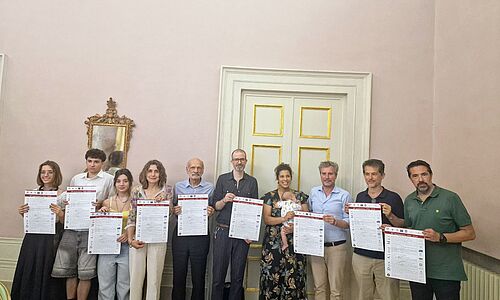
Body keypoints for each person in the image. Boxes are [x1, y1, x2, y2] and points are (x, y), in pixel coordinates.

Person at [403, 160, 475, 300]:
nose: (421, 179)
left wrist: (441, 237)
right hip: (418, 271)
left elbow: (470, 233)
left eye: (424, 174)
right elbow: (409, 229)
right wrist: (390, 231)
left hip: (446, 273)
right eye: (415, 176)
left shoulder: (450, 198)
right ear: (410, 178)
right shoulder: (409, 200)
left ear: (431, 175)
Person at [52, 149, 114, 300]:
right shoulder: (76, 179)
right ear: (86, 161)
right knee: (69, 270)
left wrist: (101, 204)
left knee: (85, 273)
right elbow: (66, 200)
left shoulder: (109, 179)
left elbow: (112, 201)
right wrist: (67, 202)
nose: (92, 164)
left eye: (96, 162)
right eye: (90, 161)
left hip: (91, 229)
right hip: (72, 228)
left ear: (102, 163)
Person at [349, 159, 403, 300]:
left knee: (388, 295)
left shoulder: (393, 197)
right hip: (361, 254)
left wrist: (390, 217)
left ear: (382, 175)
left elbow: (403, 225)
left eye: (374, 174)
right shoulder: (360, 196)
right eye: (367, 174)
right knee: (363, 295)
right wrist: (351, 213)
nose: (370, 178)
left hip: (385, 256)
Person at [12, 160, 66, 300]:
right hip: (32, 237)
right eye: (43, 172)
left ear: (56, 174)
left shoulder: (63, 195)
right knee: (30, 266)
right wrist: (22, 212)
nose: (46, 175)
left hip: (51, 237)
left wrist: (60, 213)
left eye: (50, 172)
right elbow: (29, 216)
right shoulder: (33, 192)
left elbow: (66, 222)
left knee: (47, 268)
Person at [211, 149, 258, 300]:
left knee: (238, 277)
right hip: (223, 231)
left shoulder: (252, 181)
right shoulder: (222, 179)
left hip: (242, 234)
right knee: (218, 275)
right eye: (236, 159)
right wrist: (224, 200)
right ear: (231, 161)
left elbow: (254, 209)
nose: (239, 162)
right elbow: (215, 206)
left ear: (246, 161)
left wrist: (251, 233)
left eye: (242, 159)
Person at [259, 163, 308, 300]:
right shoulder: (269, 197)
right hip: (272, 245)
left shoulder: (300, 196)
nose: (285, 179)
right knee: (271, 280)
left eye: (287, 176)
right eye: (282, 176)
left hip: (295, 245)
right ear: (277, 178)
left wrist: (295, 226)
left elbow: (307, 218)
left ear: (291, 177)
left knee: (293, 279)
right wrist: (283, 219)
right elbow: (267, 220)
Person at [127, 160, 173, 300]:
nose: (153, 174)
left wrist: (164, 203)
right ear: (145, 173)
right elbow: (132, 215)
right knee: (135, 278)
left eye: (156, 171)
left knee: (154, 280)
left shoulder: (168, 190)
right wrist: (130, 239)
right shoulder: (136, 190)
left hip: (158, 239)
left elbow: (170, 214)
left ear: (161, 174)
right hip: (138, 238)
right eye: (150, 171)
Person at [171, 158, 215, 300]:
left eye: (199, 168)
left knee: (199, 276)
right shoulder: (177, 187)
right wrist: (175, 210)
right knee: (178, 275)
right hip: (181, 235)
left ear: (203, 170)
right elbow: (171, 208)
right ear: (187, 169)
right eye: (193, 168)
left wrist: (211, 210)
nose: (196, 171)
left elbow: (213, 207)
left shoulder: (210, 188)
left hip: (201, 236)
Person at [308, 161, 352, 300]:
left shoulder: (344, 195)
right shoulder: (313, 192)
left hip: (337, 247)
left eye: (330, 174)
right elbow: (308, 213)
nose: (327, 177)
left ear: (336, 175)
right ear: (320, 174)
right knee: (319, 288)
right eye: (324, 173)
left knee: (336, 290)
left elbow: (350, 222)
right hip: (316, 247)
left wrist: (336, 222)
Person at [97, 169, 134, 300]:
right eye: (118, 181)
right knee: (105, 286)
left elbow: (140, 222)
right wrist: (102, 212)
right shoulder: (107, 202)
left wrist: (128, 233)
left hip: (127, 248)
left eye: (125, 181)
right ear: (114, 183)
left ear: (130, 183)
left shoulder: (135, 202)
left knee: (124, 286)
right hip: (108, 247)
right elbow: (99, 225)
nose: (122, 184)